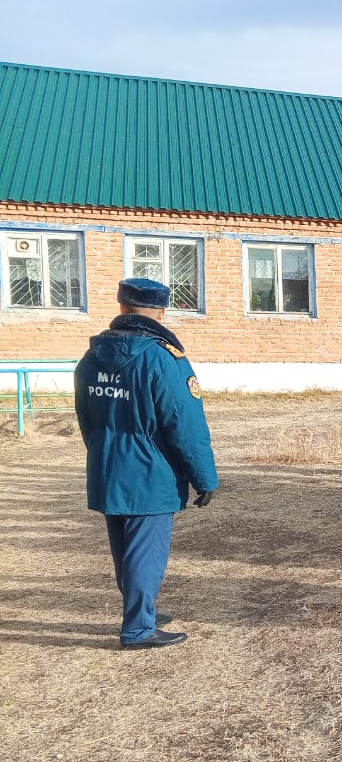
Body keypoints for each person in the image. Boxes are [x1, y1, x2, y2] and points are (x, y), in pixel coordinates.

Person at [74, 278, 219, 649]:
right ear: (161, 311)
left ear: (122, 307)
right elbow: (184, 424)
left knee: (124, 550)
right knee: (146, 552)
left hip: (107, 467)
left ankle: (142, 611)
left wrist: (104, 452)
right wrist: (204, 477)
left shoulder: (92, 357)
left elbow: (86, 417)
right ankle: (139, 628)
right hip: (150, 472)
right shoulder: (163, 357)